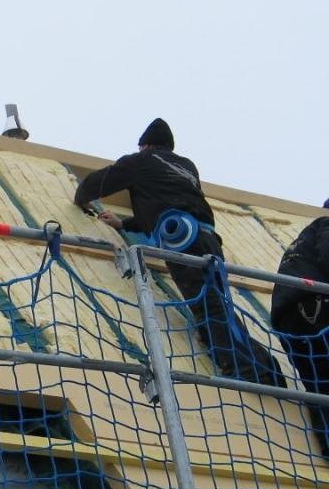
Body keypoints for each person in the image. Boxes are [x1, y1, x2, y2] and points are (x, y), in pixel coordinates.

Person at [73, 118, 282, 386]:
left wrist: (81, 199)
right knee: (217, 305)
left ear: (145, 145)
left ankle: (251, 370)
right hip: (206, 238)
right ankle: (264, 368)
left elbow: (97, 182)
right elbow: (167, 201)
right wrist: (125, 223)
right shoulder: (186, 166)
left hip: (185, 241)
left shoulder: (141, 162)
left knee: (210, 307)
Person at [270, 215, 329, 457]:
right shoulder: (325, 226)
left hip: (291, 320)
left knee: (320, 384)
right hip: (316, 307)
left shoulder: (309, 235)